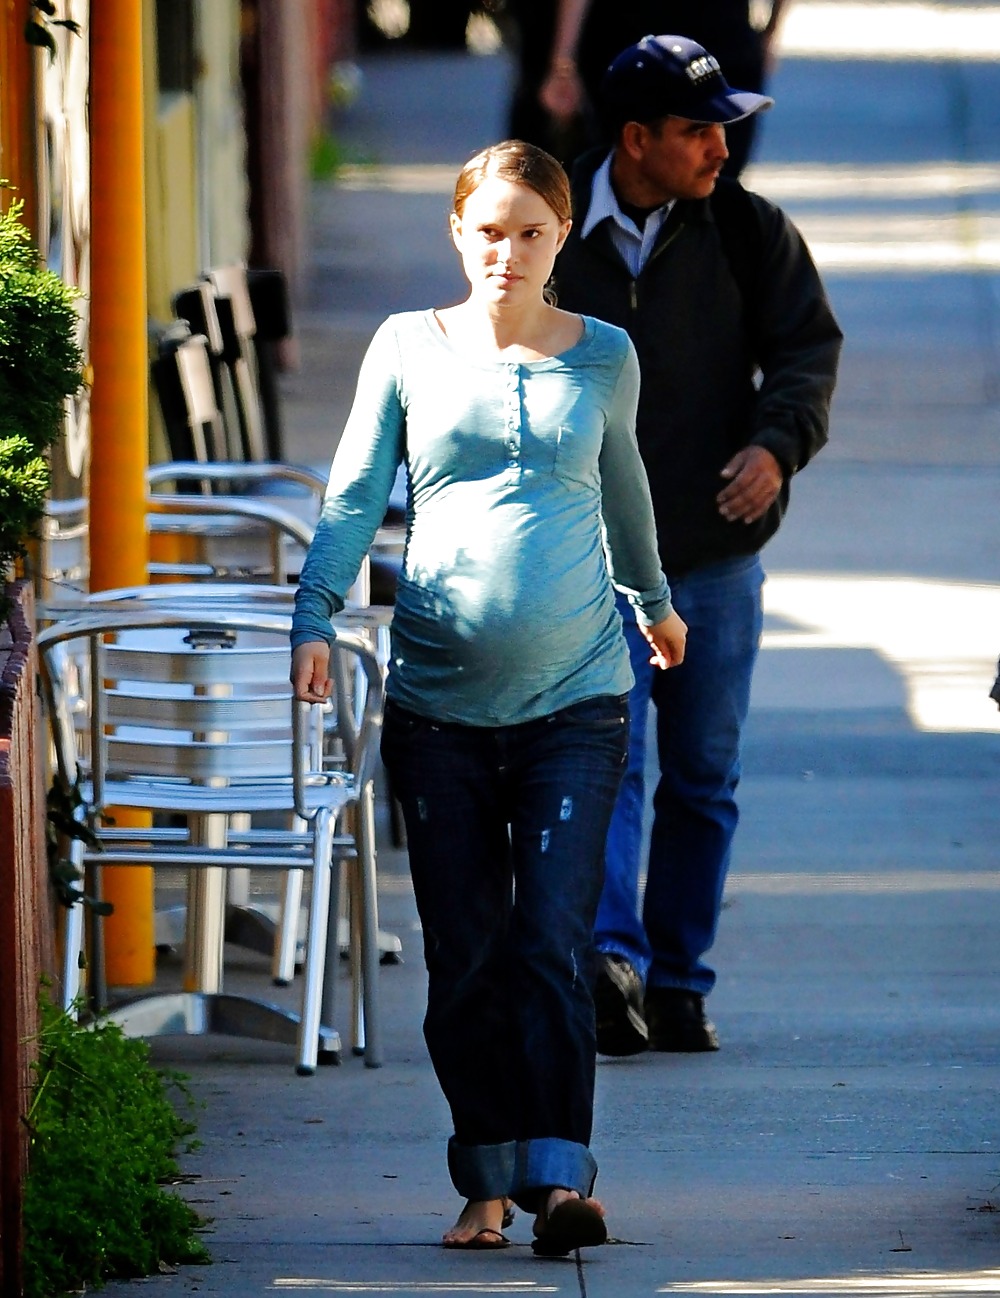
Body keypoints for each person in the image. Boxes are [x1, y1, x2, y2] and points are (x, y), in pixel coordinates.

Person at [291, 140, 687, 1254]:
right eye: (487, 230)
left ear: (561, 238)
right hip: (437, 706)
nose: (505, 251)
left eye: (529, 232)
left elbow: (624, 488)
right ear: (456, 234)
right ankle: (486, 1175)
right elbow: (357, 490)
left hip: (577, 699)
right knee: (466, 953)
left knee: (551, 942)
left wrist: (652, 599)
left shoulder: (603, 354)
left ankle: (560, 1180)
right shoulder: (407, 348)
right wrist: (313, 612)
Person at [552, 35, 843, 1056]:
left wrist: (776, 443)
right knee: (613, 760)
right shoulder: (546, 233)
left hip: (714, 555)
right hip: (588, 562)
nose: (722, 147)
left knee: (703, 774)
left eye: (726, 125)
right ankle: (611, 965)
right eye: (698, 129)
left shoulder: (748, 231)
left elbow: (808, 348)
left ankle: (678, 976)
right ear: (634, 140)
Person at [508, 0, 787, 176]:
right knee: (710, 182)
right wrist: (772, 32)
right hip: (721, 48)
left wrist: (562, 62)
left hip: (643, 47)